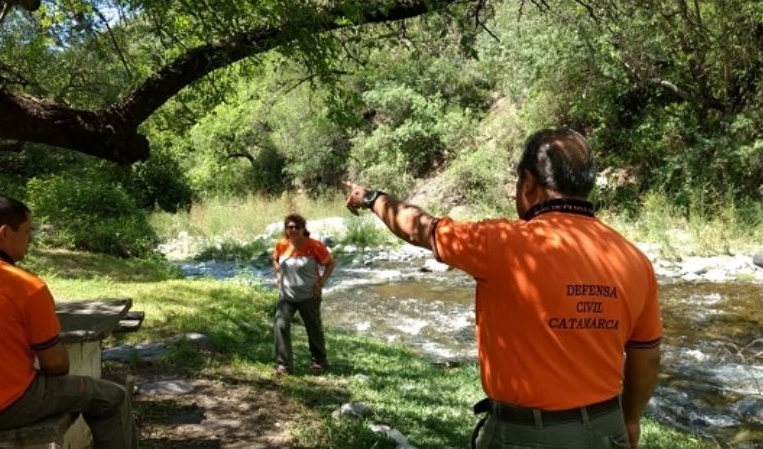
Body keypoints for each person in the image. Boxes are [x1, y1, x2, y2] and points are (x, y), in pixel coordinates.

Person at [343, 128, 662, 449]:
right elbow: (645, 358)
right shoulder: (634, 259)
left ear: (527, 184)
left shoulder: (500, 243)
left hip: (526, 436)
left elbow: (418, 228)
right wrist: (630, 419)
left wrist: (372, 198)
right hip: (608, 432)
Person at [0, 195, 139, 448]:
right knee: (113, 397)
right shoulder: (25, 286)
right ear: (4, 233)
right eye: (27, 231)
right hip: (4, 406)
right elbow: (56, 364)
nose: (31, 239)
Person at [271, 213, 336, 376]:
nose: (292, 230)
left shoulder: (314, 245)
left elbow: (330, 263)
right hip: (287, 296)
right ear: (285, 229)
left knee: (313, 328)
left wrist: (321, 283)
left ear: (303, 229)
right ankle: (284, 365)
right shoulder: (281, 245)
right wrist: (279, 276)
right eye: (289, 227)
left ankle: (319, 361)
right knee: (280, 325)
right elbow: (275, 259)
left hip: (309, 296)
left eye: (296, 227)